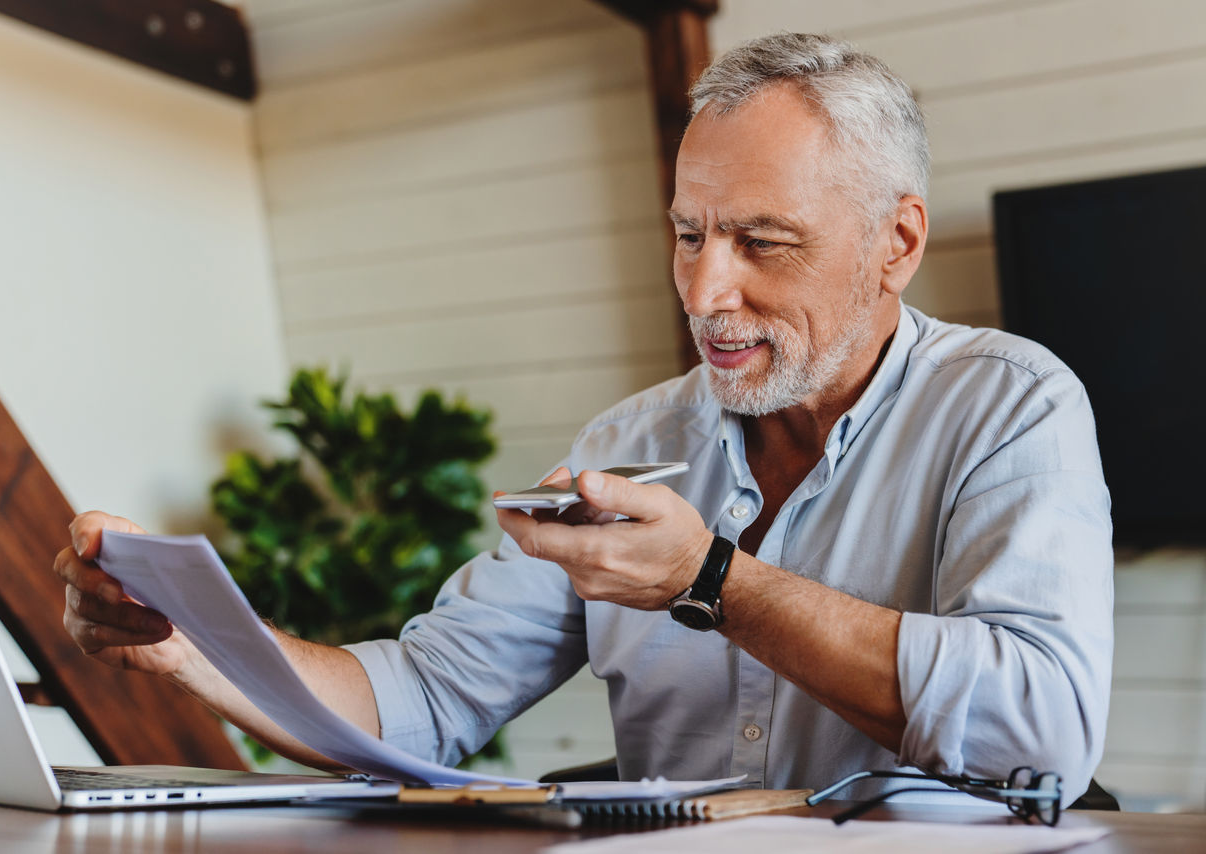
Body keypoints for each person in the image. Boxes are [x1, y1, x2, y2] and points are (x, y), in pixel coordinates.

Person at [54, 32, 1112, 804]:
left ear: (896, 240)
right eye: (687, 233)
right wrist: (194, 646)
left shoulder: (1011, 404)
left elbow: (1044, 729)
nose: (702, 292)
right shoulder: (625, 445)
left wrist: (709, 579)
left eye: (760, 242)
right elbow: (421, 698)